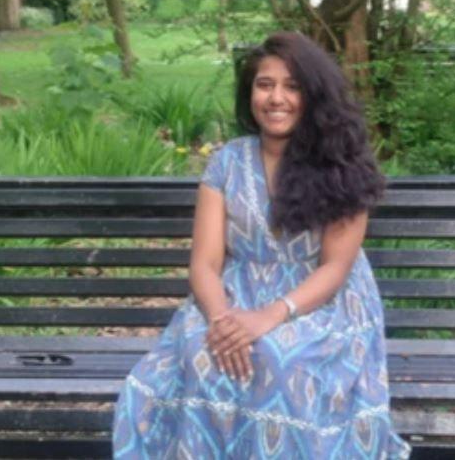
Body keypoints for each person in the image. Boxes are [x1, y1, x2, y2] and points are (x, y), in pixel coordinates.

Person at [112, 31, 411, 459]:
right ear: (249, 92)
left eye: (292, 86)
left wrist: (267, 317)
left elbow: (334, 270)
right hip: (231, 297)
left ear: (314, 95)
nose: (277, 98)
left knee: (277, 358)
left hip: (319, 303)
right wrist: (222, 321)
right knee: (200, 354)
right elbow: (205, 263)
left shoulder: (342, 162)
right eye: (264, 84)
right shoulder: (227, 162)